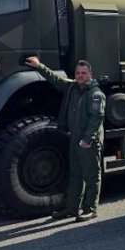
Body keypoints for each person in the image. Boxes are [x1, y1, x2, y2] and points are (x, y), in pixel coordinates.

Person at [25, 56, 106, 222]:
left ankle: (90, 209)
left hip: (88, 141)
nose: (80, 75)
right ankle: (71, 208)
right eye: (78, 73)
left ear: (91, 75)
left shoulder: (95, 94)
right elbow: (55, 79)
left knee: (91, 175)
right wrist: (39, 66)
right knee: (75, 175)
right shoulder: (72, 87)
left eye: (84, 73)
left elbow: (96, 118)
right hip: (75, 138)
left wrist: (87, 139)